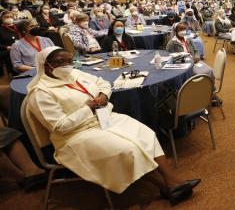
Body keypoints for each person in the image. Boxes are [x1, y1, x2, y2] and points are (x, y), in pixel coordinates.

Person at [26, 47, 200, 203]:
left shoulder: (76, 74)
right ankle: (167, 186)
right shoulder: (41, 92)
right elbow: (59, 126)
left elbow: (103, 83)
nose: (66, 65)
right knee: (128, 148)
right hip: (74, 136)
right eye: (59, 62)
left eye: (69, 61)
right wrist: (89, 107)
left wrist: (103, 96)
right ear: (45, 64)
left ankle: (173, 181)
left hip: (104, 118)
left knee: (146, 134)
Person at [0, 11, 21, 75]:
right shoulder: (1, 29)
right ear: (1, 18)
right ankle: (14, 72)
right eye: (6, 17)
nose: (9, 18)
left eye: (11, 17)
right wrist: (7, 47)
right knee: (12, 52)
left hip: (18, 47)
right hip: (4, 50)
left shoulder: (18, 27)